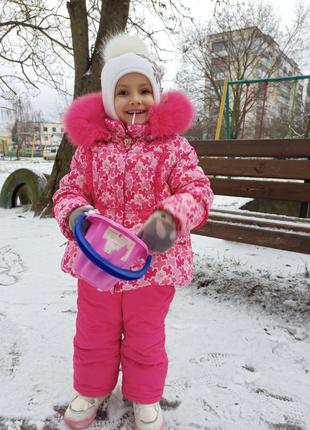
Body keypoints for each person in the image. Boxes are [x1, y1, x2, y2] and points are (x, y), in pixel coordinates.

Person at [53, 33, 213, 430]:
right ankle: (92, 388)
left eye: (144, 89)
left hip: (153, 265)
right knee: (94, 331)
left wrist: (172, 217)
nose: (135, 99)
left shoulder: (172, 147)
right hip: (98, 261)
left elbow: (198, 189)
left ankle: (144, 396)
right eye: (123, 91)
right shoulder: (91, 148)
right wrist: (74, 214)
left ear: (156, 95)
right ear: (109, 99)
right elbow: (69, 188)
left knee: (144, 335)